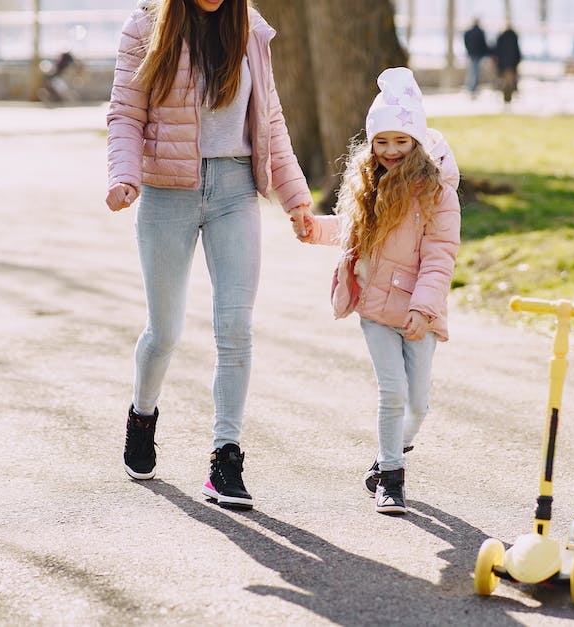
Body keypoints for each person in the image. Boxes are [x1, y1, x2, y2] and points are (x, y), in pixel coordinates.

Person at [105, 0, 313, 510]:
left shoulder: (251, 29)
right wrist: (124, 175)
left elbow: (270, 118)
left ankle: (225, 457)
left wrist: (296, 199)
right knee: (164, 331)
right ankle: (142, 415)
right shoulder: (145, 26)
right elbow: (126, 113)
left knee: (235, 326)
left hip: (235, 189)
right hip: (165, 191)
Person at [294, 68, 461, 515]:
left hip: (419, 312)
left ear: (417, 142)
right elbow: (350, 232)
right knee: (393, 393)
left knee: (418, 404)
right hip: (374, 307)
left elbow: (440, 257)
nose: (390, 151)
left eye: (401, 141)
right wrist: (314, 229)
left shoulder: (438, 195)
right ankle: (391, 476)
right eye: (381, 142)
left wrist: (424, 309)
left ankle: (394, 448)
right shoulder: (367, 184)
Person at [493, 24, 522, 104]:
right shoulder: (513, 37)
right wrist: (517, 62)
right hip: (511, 63)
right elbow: (517, 51)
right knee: (510, 81)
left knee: (506, 81)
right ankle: (508, 96)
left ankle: (507, 96)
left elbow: (497, 51)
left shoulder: (501, 37)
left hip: (504, 63)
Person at [462, 18, 491, 98]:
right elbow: (483, 44)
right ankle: (472, 88)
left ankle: (471, 87)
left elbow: (466, 41)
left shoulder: (469, 32)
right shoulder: (480, 32)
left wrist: (468, 50)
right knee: (475, 71)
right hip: (477, 54)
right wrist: (486, 53)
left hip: (471, 54)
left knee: (472, 71)